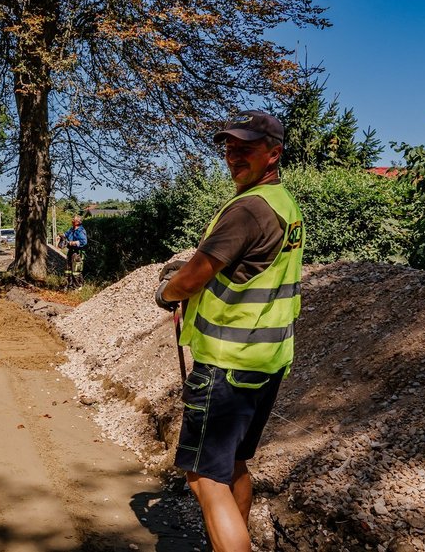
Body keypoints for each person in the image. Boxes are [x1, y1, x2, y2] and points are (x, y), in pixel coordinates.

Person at [155, 110, 304, 552]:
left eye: (246, 147)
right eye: (229, 146)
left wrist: (167, 292)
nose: (233, 155)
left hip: (227, 365)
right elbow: (244, 271)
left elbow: (192, 277)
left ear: (273, 153)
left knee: (204, 478)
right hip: (265, 360)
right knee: (234, 463)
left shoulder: (248, 211)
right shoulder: (284, 205)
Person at [60, 214, 88, 288]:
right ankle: (69, 285)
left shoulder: (81, 230)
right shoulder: (72, 229)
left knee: (76, 271)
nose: (72, 220)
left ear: (78, 222)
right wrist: (61, 236)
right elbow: (66, 234)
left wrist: (73, 243)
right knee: (68, 269)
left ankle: (78, 287)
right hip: (71, 252)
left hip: (77, 253)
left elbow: (84, 242)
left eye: (74, 219)